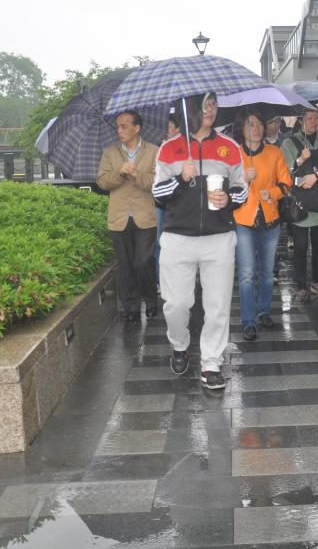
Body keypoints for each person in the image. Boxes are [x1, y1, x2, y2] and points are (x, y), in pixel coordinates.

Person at [152, 92, 246, 390]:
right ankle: (179, 345)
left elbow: (242, 189)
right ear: (190, 107)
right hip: (178, 238)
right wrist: (181, 177)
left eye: (213, 104)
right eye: (205, 104)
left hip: (219, 238)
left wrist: (229, 198)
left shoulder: (229, 147)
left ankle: (211, 363)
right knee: (177, 304)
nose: (210, 109)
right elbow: (157, 194)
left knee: (217, 305)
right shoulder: (169, 148)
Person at [97, 110, 160, 320]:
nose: (119, 130)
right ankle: (131, 306)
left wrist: (135, 174)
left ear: (137, 128)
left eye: (124, 126)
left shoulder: (154, 151)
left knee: (143, 261)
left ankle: (150, 300)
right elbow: (102, 182)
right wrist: (120, 172)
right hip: (119, 216)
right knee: (125, 264)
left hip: (145, 216)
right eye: (117, 126)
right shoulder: (110, 153)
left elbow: (156, 182)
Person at [233, 111, 291, 341]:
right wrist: (244, 180)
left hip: (270, 219)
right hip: (243, 220)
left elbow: (286, 183)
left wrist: (273, 193)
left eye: (259, 124)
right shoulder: (235, 154)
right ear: (242, 128)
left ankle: (264, 311)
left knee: (267, 273)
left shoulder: (274, 152)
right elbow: (225, 188)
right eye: (251, 124)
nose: (256, 129)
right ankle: (248, 321)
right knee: (247, 274)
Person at [281, 108, 318, 303]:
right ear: (300, 120)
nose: (314, 121)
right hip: (300, 203)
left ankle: (316, 281)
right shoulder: (290, 142)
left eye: (316, 117)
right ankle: (300, 286)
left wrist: (317, 175)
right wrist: (300, 159)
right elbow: (285, 171)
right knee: (300, 246)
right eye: (309, 118)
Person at [154, 113, 181, 284]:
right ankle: (159, 280)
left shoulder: (184, 147)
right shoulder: (158, 147)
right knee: (159, 241)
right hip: (160, 203)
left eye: (169, 126)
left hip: (178, 202)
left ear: (178, 129)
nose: (166, 130)